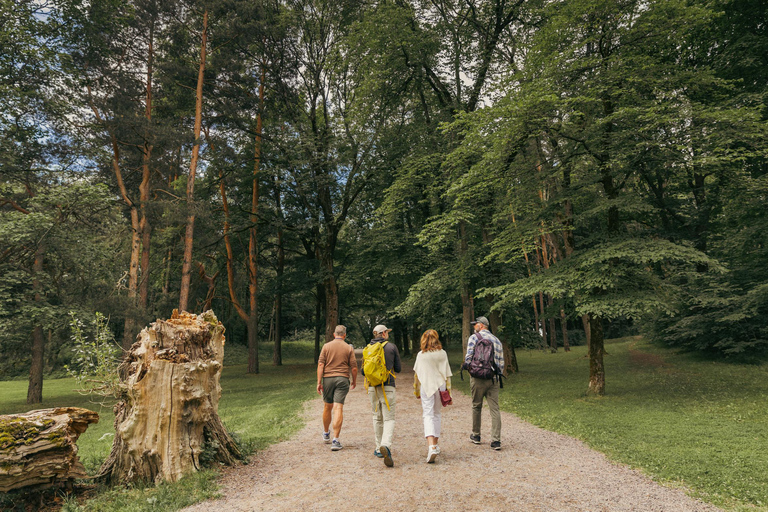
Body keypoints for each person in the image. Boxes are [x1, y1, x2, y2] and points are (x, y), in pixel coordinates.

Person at [362, 324, 401, 467]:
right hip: (388, 386)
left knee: (376, 417)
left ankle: (379, 448)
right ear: (383, 333)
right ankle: (386, 445)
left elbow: (363, 372)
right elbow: (398, 368)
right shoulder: (391, 347)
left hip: (372, 387)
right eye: (387, 332)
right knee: (389, 418)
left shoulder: (368, 348)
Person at [462, 316, 504, 450]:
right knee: (495, 409)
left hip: (477, 378)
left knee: (476, 406)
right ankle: (496, 440)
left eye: (475, 325)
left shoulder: (474, 338)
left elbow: (468, 358)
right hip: (492, 379)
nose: (474, 327)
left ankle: (476, 435)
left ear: (481, 325)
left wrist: (471, 371)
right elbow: (501, 364)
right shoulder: (497, 341)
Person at [413, 329, 452, 463]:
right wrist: (449, 393)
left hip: (426, 385)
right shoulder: (442, 354)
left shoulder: (421, 355)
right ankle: (435, 444)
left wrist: (417, 391)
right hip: (440, 385)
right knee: (437, 414)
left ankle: (431, 447)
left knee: (428, 414)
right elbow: (447, 375)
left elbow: (417, 375)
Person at [317, 324, 357, 451]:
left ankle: (325, 433)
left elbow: (321, 364)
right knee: (338, 407)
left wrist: (319, 382)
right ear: (344, 335)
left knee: (327, 406)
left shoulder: (326, 346)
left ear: (334, 334)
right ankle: (336, 440)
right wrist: (354, 381)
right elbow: (354, 367)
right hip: (342, 379)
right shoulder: (348, 348)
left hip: (328, 379)